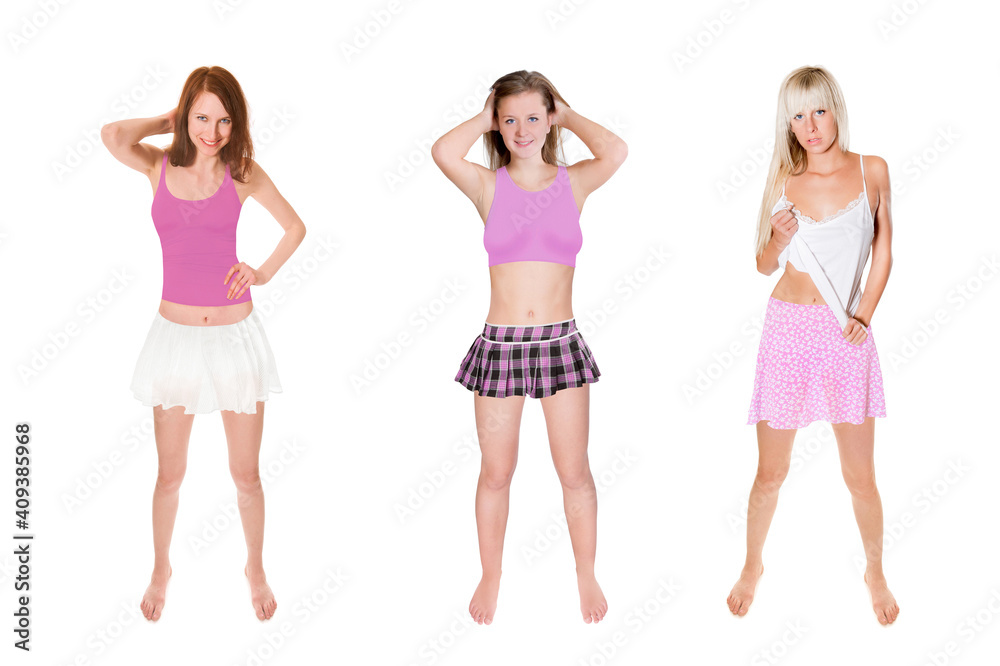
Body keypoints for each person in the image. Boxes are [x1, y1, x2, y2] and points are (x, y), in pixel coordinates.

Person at [101, 65, 306, 622]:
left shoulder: (242, 172)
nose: (212, 131)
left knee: (247, 474)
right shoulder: (157, 165)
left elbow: (295, 228)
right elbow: (113, 136)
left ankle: (255, 567)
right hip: (175, 340)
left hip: (236, 337)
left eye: (222, 120)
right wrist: (167, 119)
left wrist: (260, 273)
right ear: (186, 114)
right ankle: (161, 567)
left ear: (235, 124)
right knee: (170, 474)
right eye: (201, 117)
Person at [431, 70, 627, 625]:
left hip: (560, 341)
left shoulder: (574, 182)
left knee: (575, 472)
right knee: (497, 471)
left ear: (550, 120)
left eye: (534, 117)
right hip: (502, 345)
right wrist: (484, 112)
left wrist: (567, 112)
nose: (521, 129)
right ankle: (491, 575)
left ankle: (585, 572)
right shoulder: (488, 185)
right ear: (497, 123)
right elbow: (443, 151)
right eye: (509, 119)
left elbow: (616, 149)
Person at [728, 66, 898, 625]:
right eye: (797, 115)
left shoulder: (872, 170)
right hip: (787, 330)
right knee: (770, 472)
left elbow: (885, 251)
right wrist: (775, 239)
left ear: (836, 108)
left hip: (846, 331)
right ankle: (753, 564)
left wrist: (865, 316)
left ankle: (875, 570)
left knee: (860, 476)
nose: (810, 125)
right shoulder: (783, 176)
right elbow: (762, 265)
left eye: (818, 110)